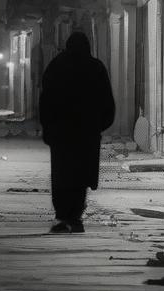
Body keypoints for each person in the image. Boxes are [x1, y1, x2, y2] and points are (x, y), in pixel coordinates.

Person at [38, 31, 115, 233]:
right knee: (80, 177)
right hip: (85, 136)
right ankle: (75, 216)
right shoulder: (95, 68)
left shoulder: (56, 67)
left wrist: (48, 128)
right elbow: (107, 103)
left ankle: (62, 216)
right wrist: (97, 126)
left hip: (61, 135)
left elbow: (45, 101)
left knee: (62, 174)